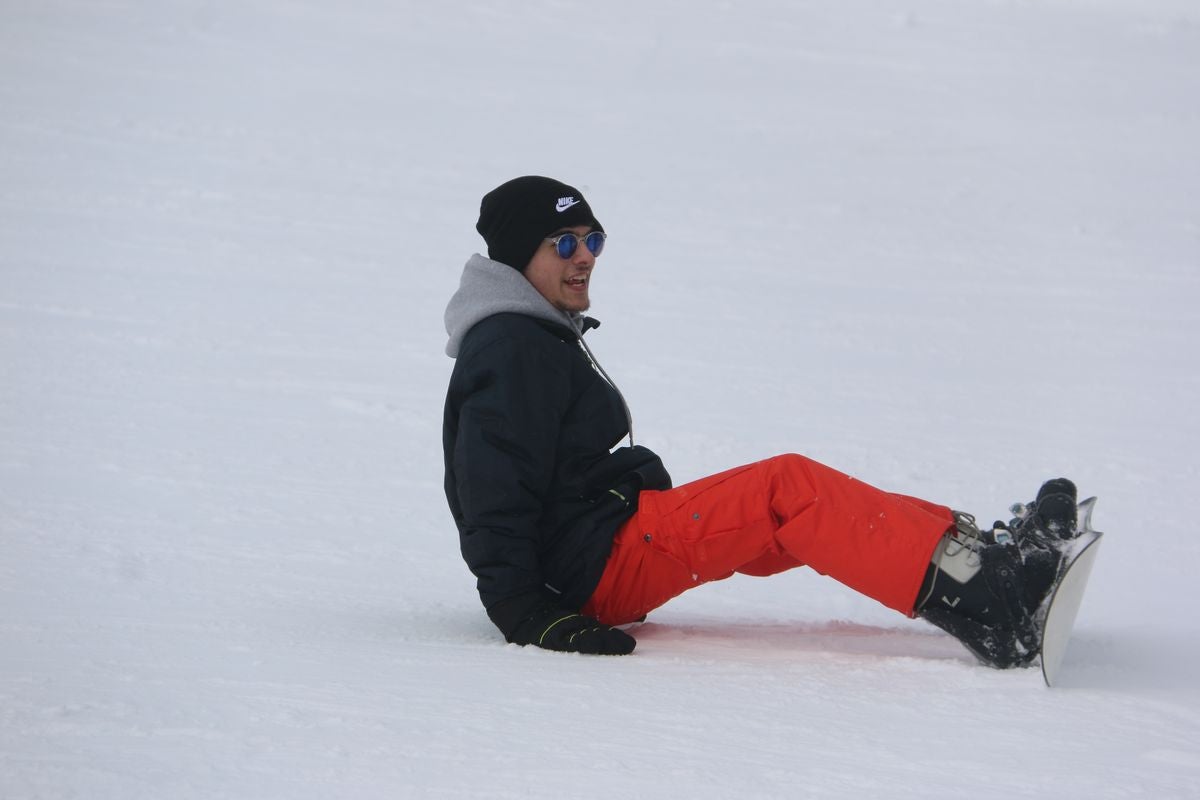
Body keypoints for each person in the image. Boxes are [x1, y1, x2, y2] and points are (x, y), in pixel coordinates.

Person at [442, 176, 1083, 668]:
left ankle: (981, 562)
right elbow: (490, 487)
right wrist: (524, 612)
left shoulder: (531, 336)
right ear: (517, 257)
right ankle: (993, 602)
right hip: (593, 566)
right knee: (788, 489)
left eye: (593, 239)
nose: (585, 257)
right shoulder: (510, 347)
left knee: (811, 514)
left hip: (608, 541)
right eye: (564, 243)